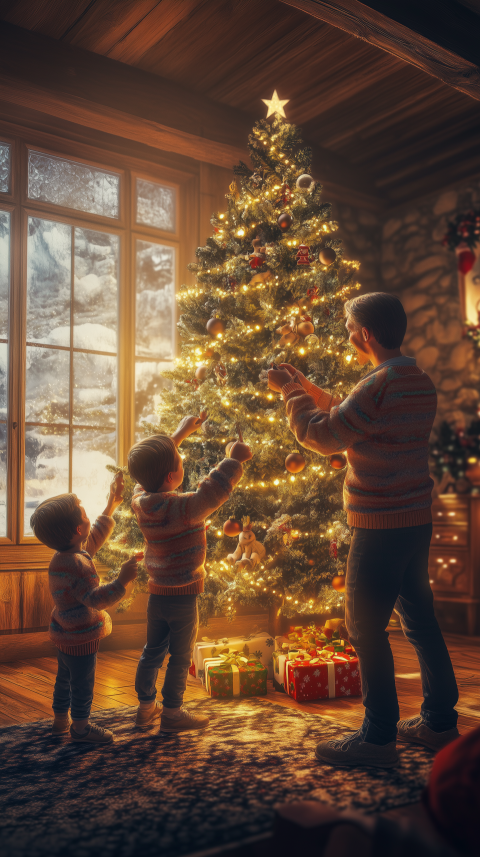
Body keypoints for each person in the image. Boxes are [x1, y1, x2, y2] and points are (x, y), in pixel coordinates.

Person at [268, 292, 459, 768]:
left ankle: (377, 737)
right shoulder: (413, 378)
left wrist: (289, 394)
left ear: (365, 334)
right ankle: (440, 724)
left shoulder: (378, 385)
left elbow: (323, 434)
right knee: (421, 623)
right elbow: (354, 415)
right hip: (416, 522)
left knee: (365, 629)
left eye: (351, 327)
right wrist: (307, 386)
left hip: (379, 527)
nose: (348, 333)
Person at [128, 413, 251, 734]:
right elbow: (211, 493)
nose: (183, 462)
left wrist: (179, 434)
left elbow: (145, 476)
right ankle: (171, 714)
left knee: (151, 652)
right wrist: (233, 460)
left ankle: (145, 709)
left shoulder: (139, 501)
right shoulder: (182, 508)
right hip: (183, 596)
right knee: (181, 657)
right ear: (172, 476)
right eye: (180, 460)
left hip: (156, 594)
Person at [30, 473, 142, 744]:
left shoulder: (64, 556)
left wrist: (110, 505)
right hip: (81, 637)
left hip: (64, 634)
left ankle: (60, 722)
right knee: (83, 684)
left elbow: (92, 542)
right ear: (77, 530)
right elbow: (95, 599)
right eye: (83, 511)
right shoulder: (79, 565)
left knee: (64, 678)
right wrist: (122, 581)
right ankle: (80, 729)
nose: (86, 513)